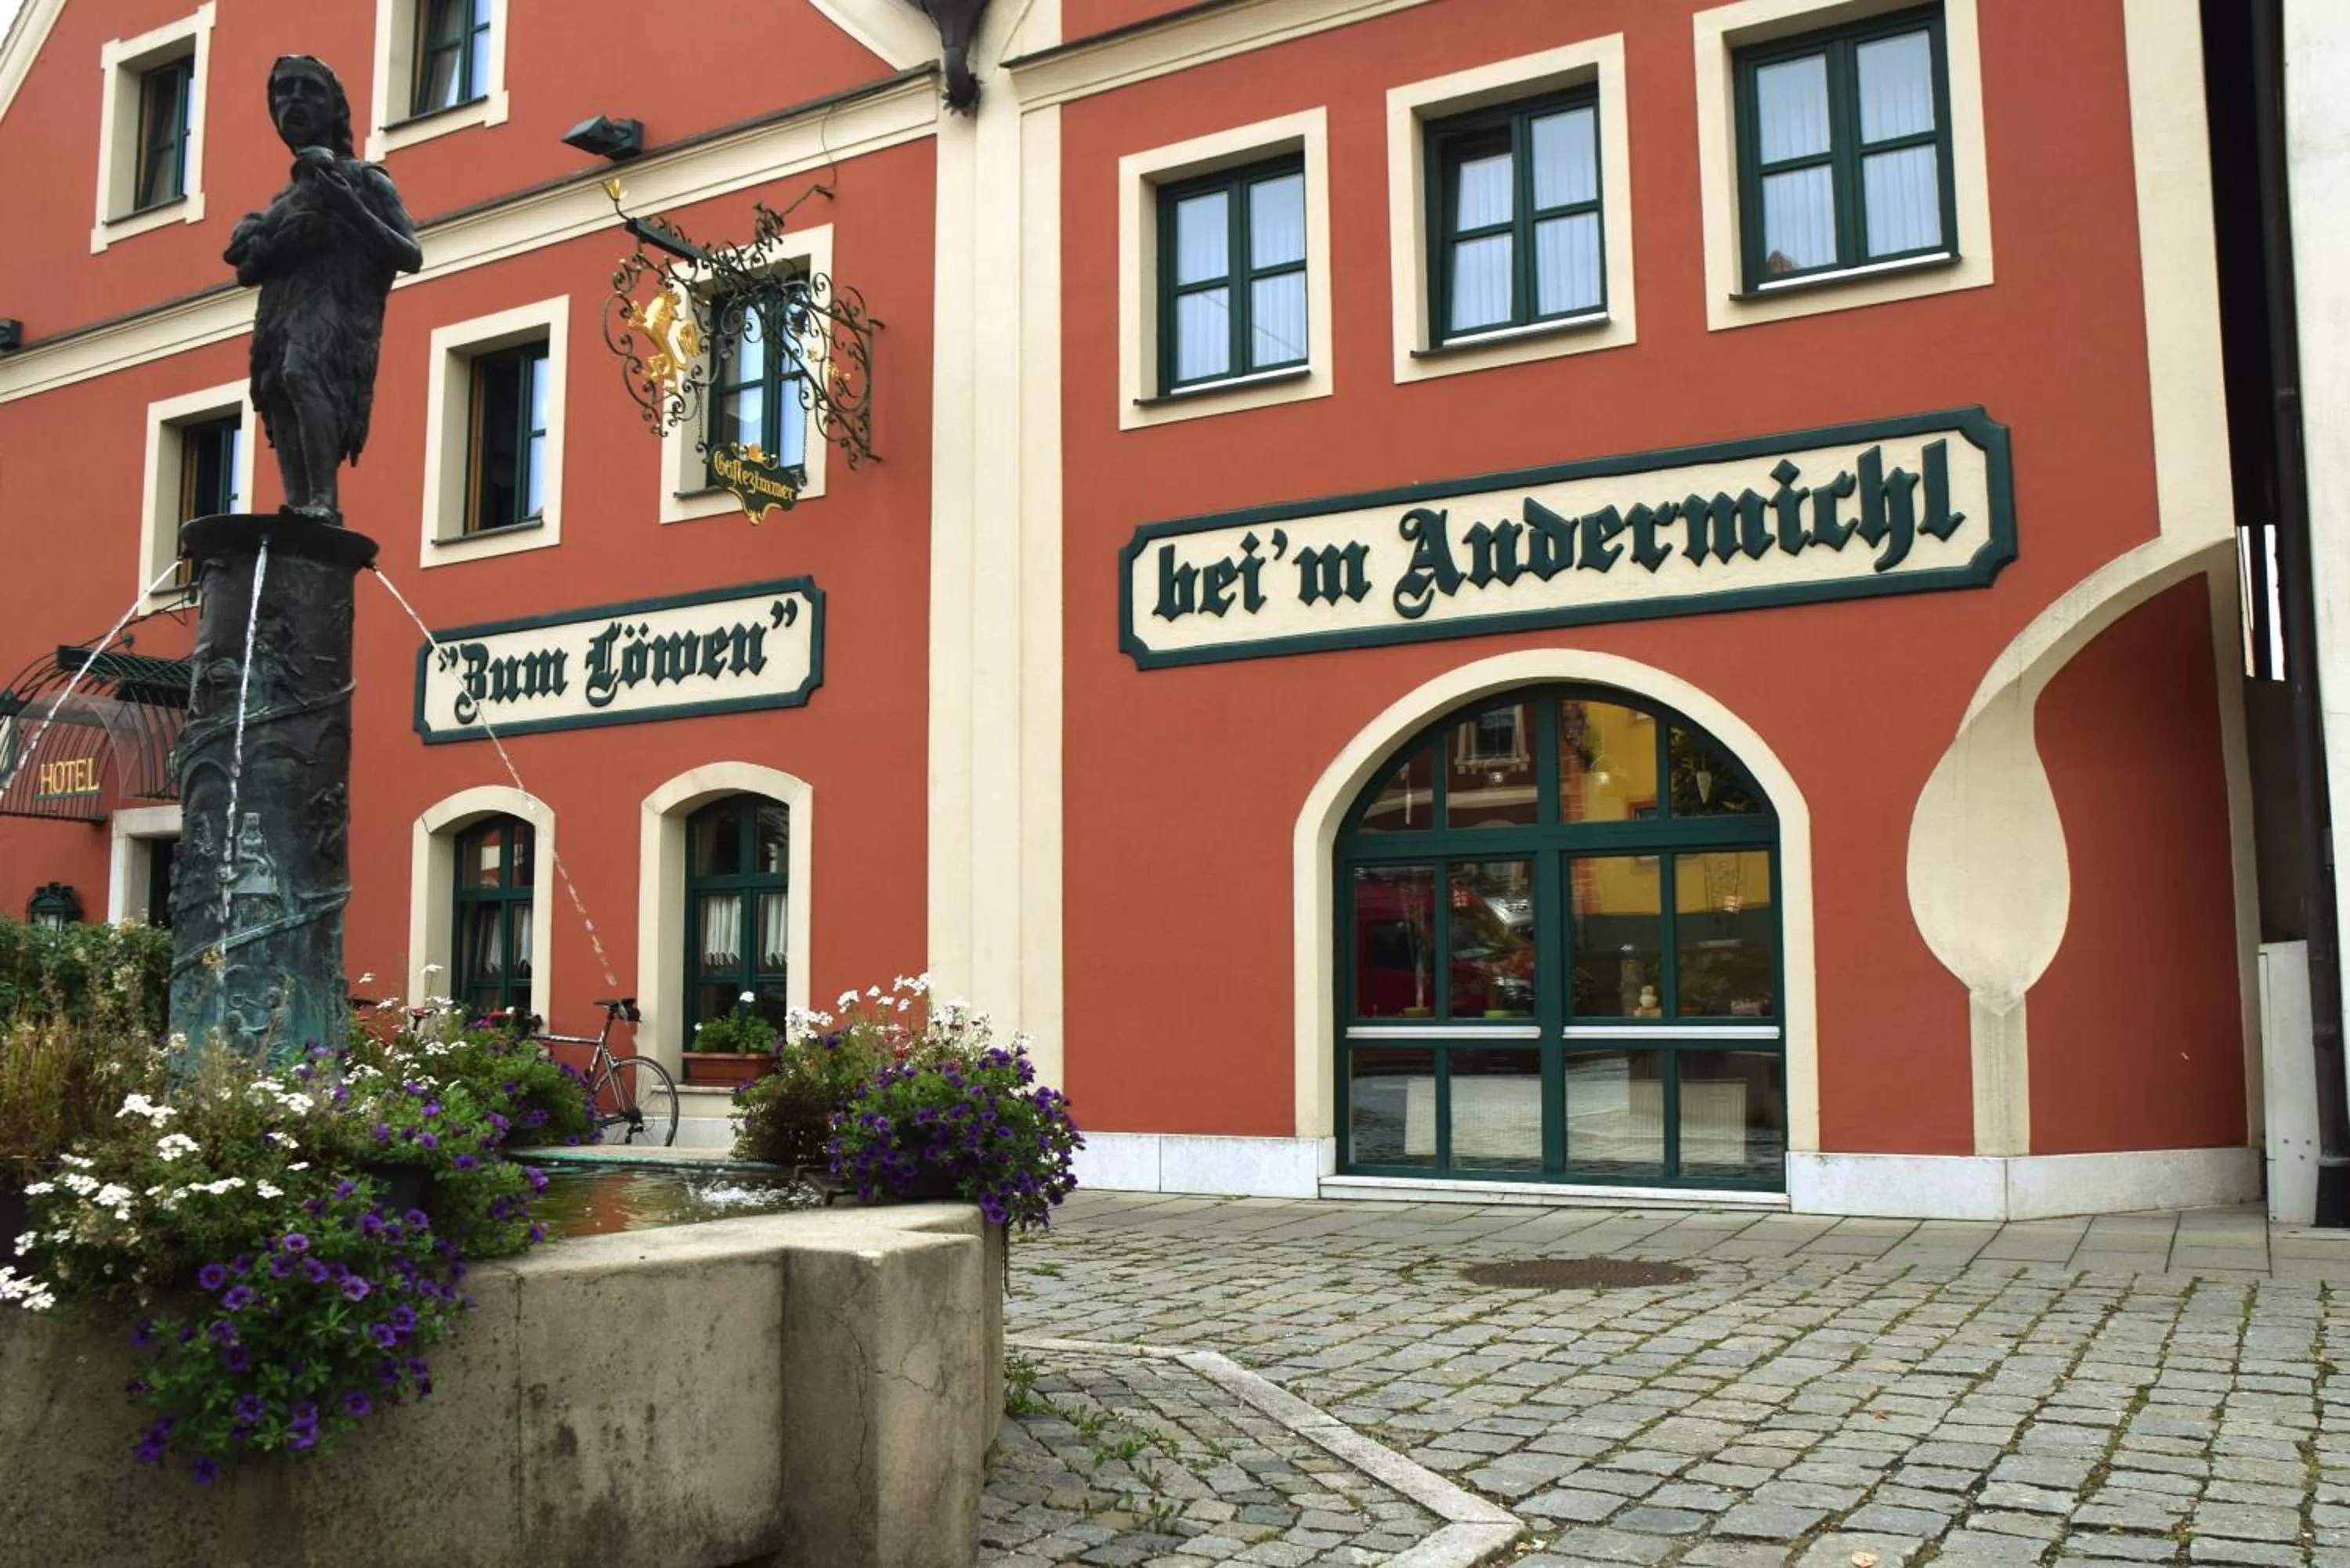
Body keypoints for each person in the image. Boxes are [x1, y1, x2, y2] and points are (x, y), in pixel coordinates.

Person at [224, 56, 422, 522]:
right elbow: (247, 272)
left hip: (335, 315)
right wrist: (255, 241)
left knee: (301, 373)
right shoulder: (282, 202)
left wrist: (346, 205)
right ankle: (300, 505)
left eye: (308, 89)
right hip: (279, 316)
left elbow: (409, 254)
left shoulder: (364, 179)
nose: (292, 99)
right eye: (283, 90)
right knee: (277, 390)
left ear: (336, 108)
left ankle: (324, 504)